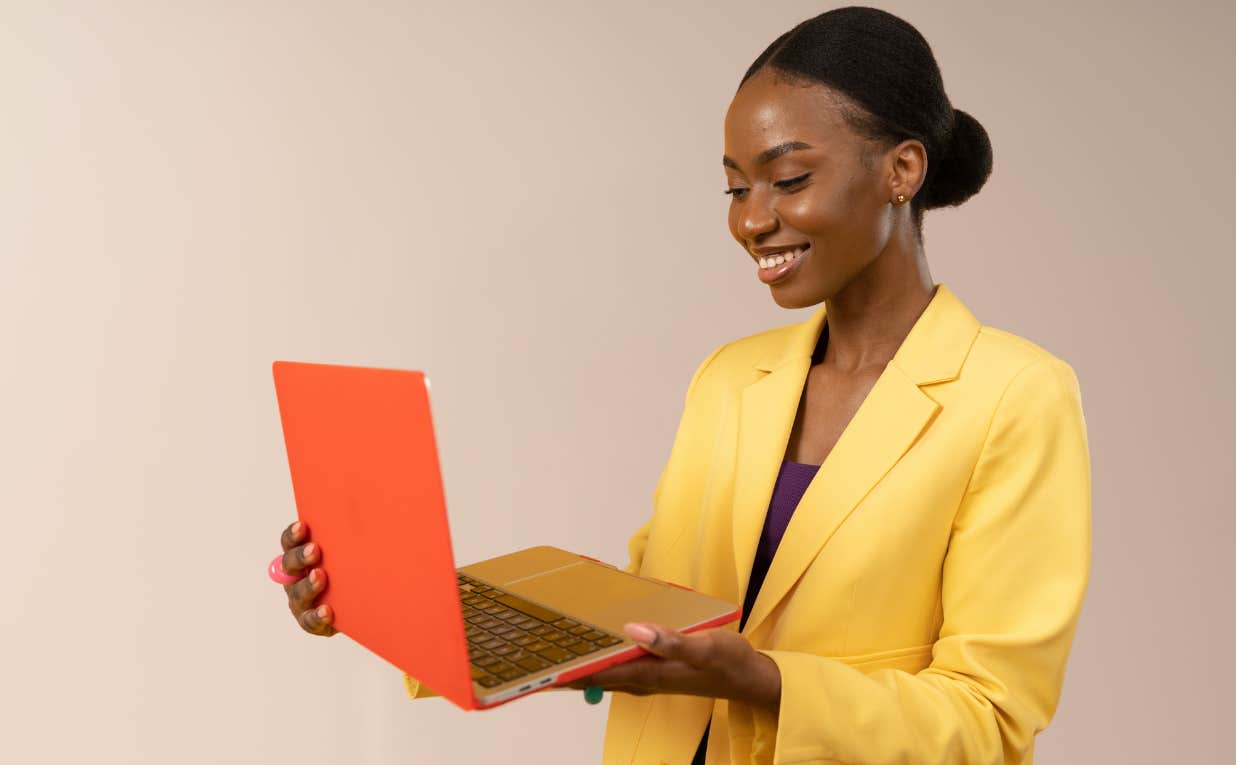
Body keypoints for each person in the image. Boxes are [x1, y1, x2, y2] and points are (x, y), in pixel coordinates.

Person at [274, 6, 1091, 764]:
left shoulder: (1014, 396)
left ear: (902, 169)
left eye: (788, 179)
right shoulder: (731, 378)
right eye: (736, 186)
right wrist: (390, 602)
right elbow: (643, 608)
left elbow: (990, 717)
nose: (749, 219)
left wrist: (761, 681)